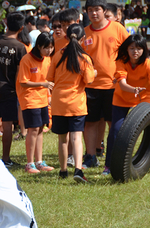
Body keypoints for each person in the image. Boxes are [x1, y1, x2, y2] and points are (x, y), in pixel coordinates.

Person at [103, 34, 150, 176]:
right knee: (115, 131)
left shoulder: (148, 63)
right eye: (132, 48)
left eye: (139, 49)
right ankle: (109, 166)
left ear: (144, 50)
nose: (135, 51)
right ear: (126, 49)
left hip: (144, 97)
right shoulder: (121, 62)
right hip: (122, 98)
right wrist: (133, 89)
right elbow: (122, 84)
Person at [82, 0, 130, 169]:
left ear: (104, 11)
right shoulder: (84, 33)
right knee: (90, 123)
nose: (94, 13)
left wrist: (124, 75)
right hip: (90, 86)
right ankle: (90, 156)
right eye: (90, 10)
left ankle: (117, 157)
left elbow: (131, 51)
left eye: (97, 10)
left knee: (115, 124)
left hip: (114, 86)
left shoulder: (118, 29)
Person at [46, 23, 95, 183]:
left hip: (59, 101)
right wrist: (93, 72)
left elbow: (50, 77)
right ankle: (78, 170)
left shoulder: (58, 55)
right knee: (76, 137)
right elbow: (88, 80)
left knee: (62, 139)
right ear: (83, 39)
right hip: (76, 103)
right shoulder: (84, 58)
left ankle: (63, 170)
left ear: (66, 37)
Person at [0, 12, 27, 167]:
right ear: (22, 27)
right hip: (8, 90)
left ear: (6, 24)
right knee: (8, 124)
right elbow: (19, 73)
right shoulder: (19, 47)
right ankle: (6, 158)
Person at [17, 33, 55, 174]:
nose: (49, 51)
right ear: (38, 46)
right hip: (29, 99)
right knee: (32, 130)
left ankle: (39, 162)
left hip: (43, 99)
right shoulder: (26, 60)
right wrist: (43, 84)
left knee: (40, 130)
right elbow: (23, 81)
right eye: (46, 48)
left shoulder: (47, 59)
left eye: (51, 47)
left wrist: (49, 94)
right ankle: (29, 163)